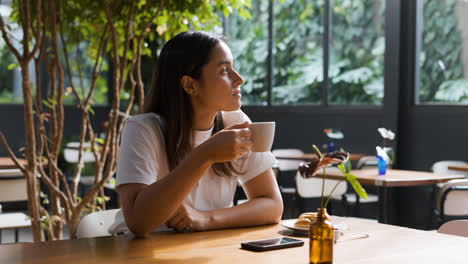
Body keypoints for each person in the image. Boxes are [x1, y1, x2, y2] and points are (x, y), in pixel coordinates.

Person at [111, 31, 283, 236]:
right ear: (190, 85)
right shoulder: (143, 129)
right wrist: (205, 154)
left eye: (233, 68)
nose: (239, 79)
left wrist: (205, 219)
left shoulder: (235, 122)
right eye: (224, 71)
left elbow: (272, 205)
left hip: (204, 247)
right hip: (136, 251)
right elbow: (139, 223)